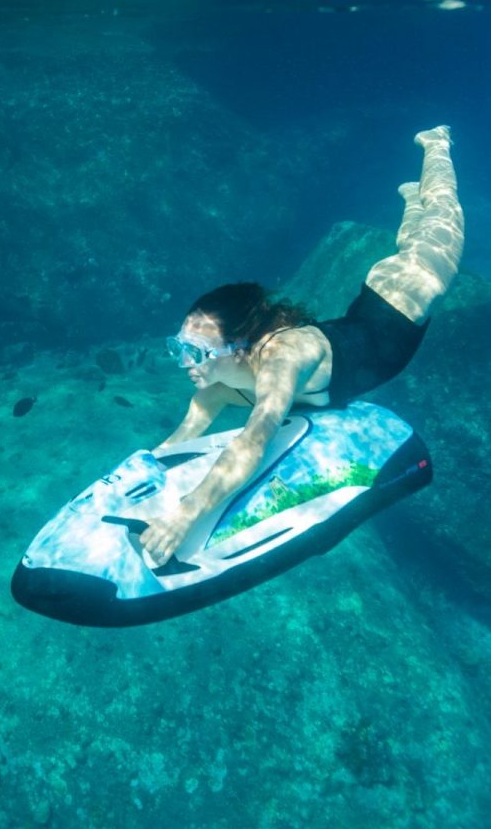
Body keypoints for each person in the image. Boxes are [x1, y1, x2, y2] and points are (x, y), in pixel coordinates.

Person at [139, 126, 463, 564]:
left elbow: (254, 441)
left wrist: (186, 515)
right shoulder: (216, 383)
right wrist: (149, 468)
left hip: (399, 311)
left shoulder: (280, 361)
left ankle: (436, 143)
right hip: (362, 316)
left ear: (238, 347)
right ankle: (410, 201)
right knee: (413, 240)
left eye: (196, 352)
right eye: (178, 346)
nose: (183, 363)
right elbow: (186, 431)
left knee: (442, 226)